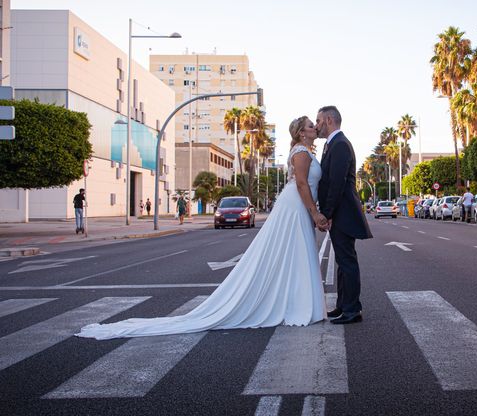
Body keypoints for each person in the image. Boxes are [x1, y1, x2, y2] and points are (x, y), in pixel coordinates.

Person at [75, 116, 325, 339]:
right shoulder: (301, 151)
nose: (315, 127)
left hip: (297, 206)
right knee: (295, 252)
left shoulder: (303, 150)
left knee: (295, 254)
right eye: (311, 126)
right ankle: (295, 303)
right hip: (295, 207)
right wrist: (315, 213)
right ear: (301, 133)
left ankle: (295, 300)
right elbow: (302, 185)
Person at [316, 106, 373, 325]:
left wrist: (326, 213)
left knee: (347, 261)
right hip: (340, 213)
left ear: (329, 120)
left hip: (344, 213)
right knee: (343, 261)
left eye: (319, 120)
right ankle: (343, 305)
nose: (317, 124)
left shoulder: (340, 144)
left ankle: (352, 310)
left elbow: (337, 184)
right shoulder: (333, 144)